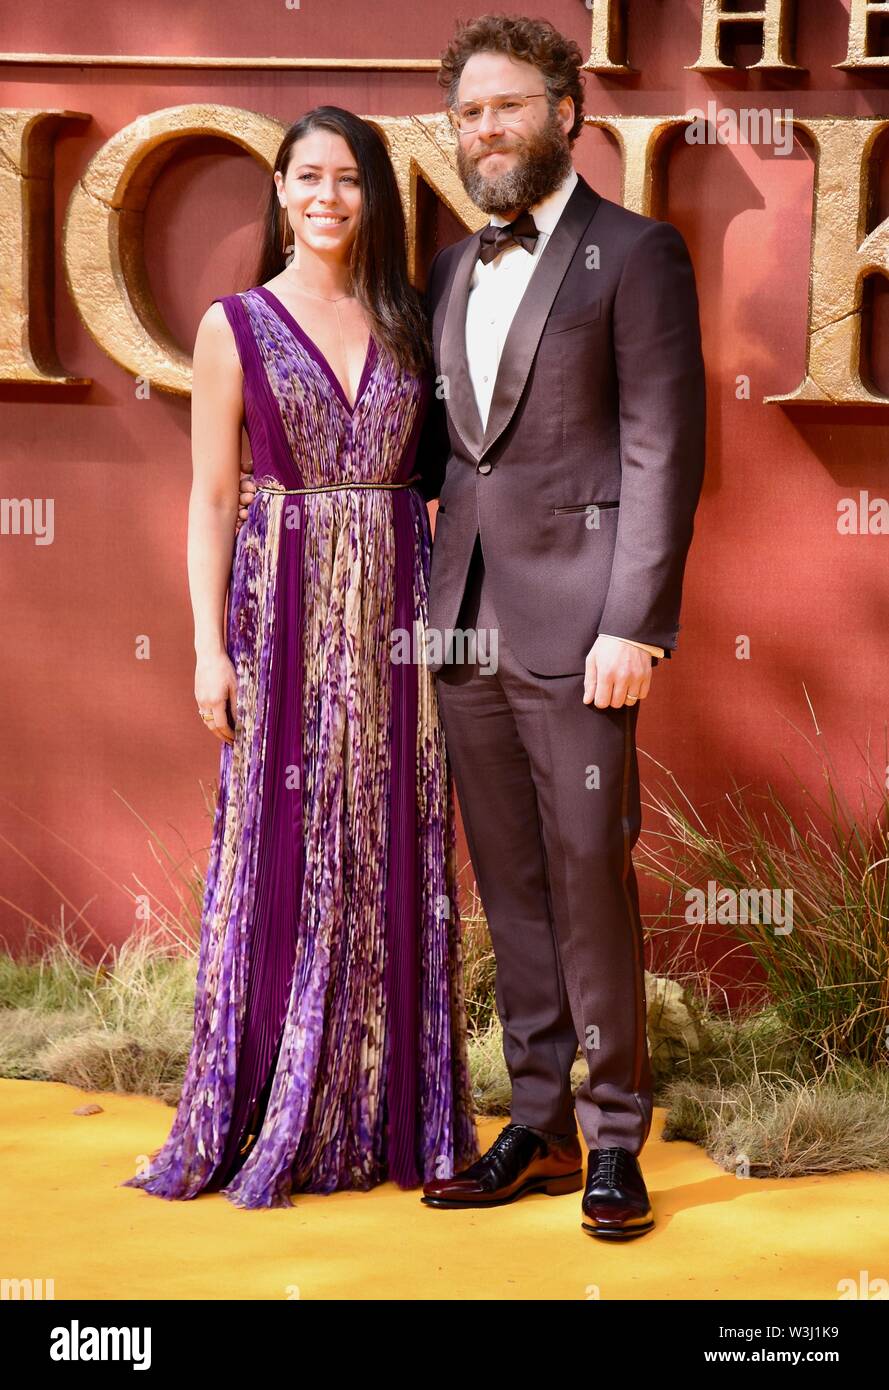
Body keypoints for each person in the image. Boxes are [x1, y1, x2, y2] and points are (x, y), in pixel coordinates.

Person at [238, 13, 706, 1240]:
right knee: (508, 881)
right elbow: (431, 454)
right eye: (467, 114)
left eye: (505, 107)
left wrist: (636, 622)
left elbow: (663, 447)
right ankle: (539, 1118)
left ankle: (614, 1134)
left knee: (588, 877)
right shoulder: (446, 271)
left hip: (586, 631)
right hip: (458, 630)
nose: (484, 131)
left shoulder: (637, 253)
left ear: (567, 114)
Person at [121, 107, 480, 1211]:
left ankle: (384, 1109)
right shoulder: (235, 322)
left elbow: (445, 478)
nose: (327, 197)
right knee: (284, 844)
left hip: (396, 609)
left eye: (349, 180)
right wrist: (204, 647)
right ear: (279, 191)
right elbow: (214, 495)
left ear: (375, 196)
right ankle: (271, 1102)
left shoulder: (410, 322)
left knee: (389, 839)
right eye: (307, 177)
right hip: (277, 613)